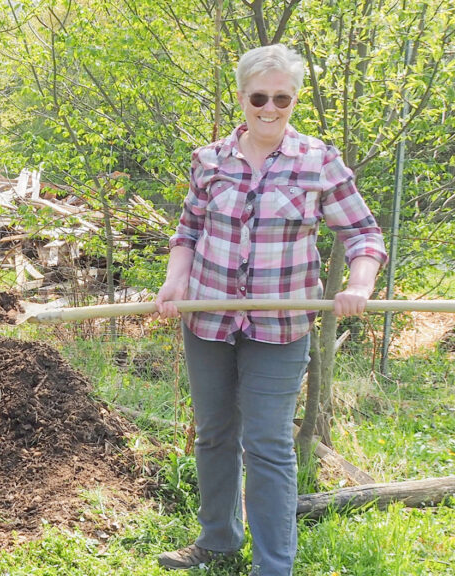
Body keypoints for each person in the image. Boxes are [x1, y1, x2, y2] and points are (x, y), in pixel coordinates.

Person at [153, 44, 387, 575]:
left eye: (282, 97)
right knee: (213, 433)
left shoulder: (318, 161)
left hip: (280, 326)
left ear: (294, 99)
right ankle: (217, 540)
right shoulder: (208, 160)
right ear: (242, 97)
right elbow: (188, 231)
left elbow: (364, 234)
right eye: (260, 96)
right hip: (207, 318)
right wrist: (174, 282)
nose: (270, 107)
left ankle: (273, 566)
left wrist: (360, 283)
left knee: (267, 443)